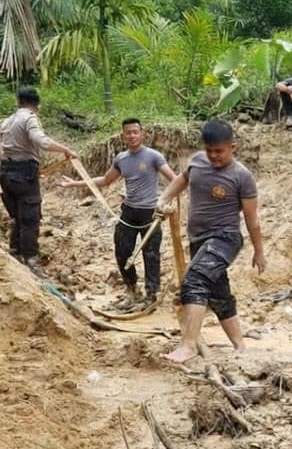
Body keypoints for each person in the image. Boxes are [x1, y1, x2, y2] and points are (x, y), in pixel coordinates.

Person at [156, 119, 266, 364]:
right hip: (199, 239)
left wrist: (259, 251)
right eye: (210, 151)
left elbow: (252, 219)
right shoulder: (196, 161)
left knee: (194, 282)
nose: (214, 156)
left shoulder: (241, 176)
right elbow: (182, 179)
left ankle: (188, 345)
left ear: (233, 147)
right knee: (218, 293)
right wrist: (164, 198)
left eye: (220, 151)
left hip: (225, 238)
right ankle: (240, 347)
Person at [60, 118, 177, 308]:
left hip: (150, 214)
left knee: (151, 255)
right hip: (128, 212)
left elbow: (175, 180)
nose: (131, 135)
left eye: (135, 132)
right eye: (128, 132)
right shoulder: (121, 158)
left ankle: (151, 295)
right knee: (122, 252)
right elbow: (106, 180)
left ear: (142, 134)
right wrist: (75, 183)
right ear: (123, 136)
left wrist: (165, 204)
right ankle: (132, 290)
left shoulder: (154, 156)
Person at [0, 87, 77, 274]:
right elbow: (41, 141)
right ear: (38, 105)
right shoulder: (29, 118)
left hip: (6, 173)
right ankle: (30, 260)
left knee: (18, 216)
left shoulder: (7, 121)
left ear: (18, 102)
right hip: (23, 174)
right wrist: (65, 150)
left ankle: (15, 252)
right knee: (30, 218)